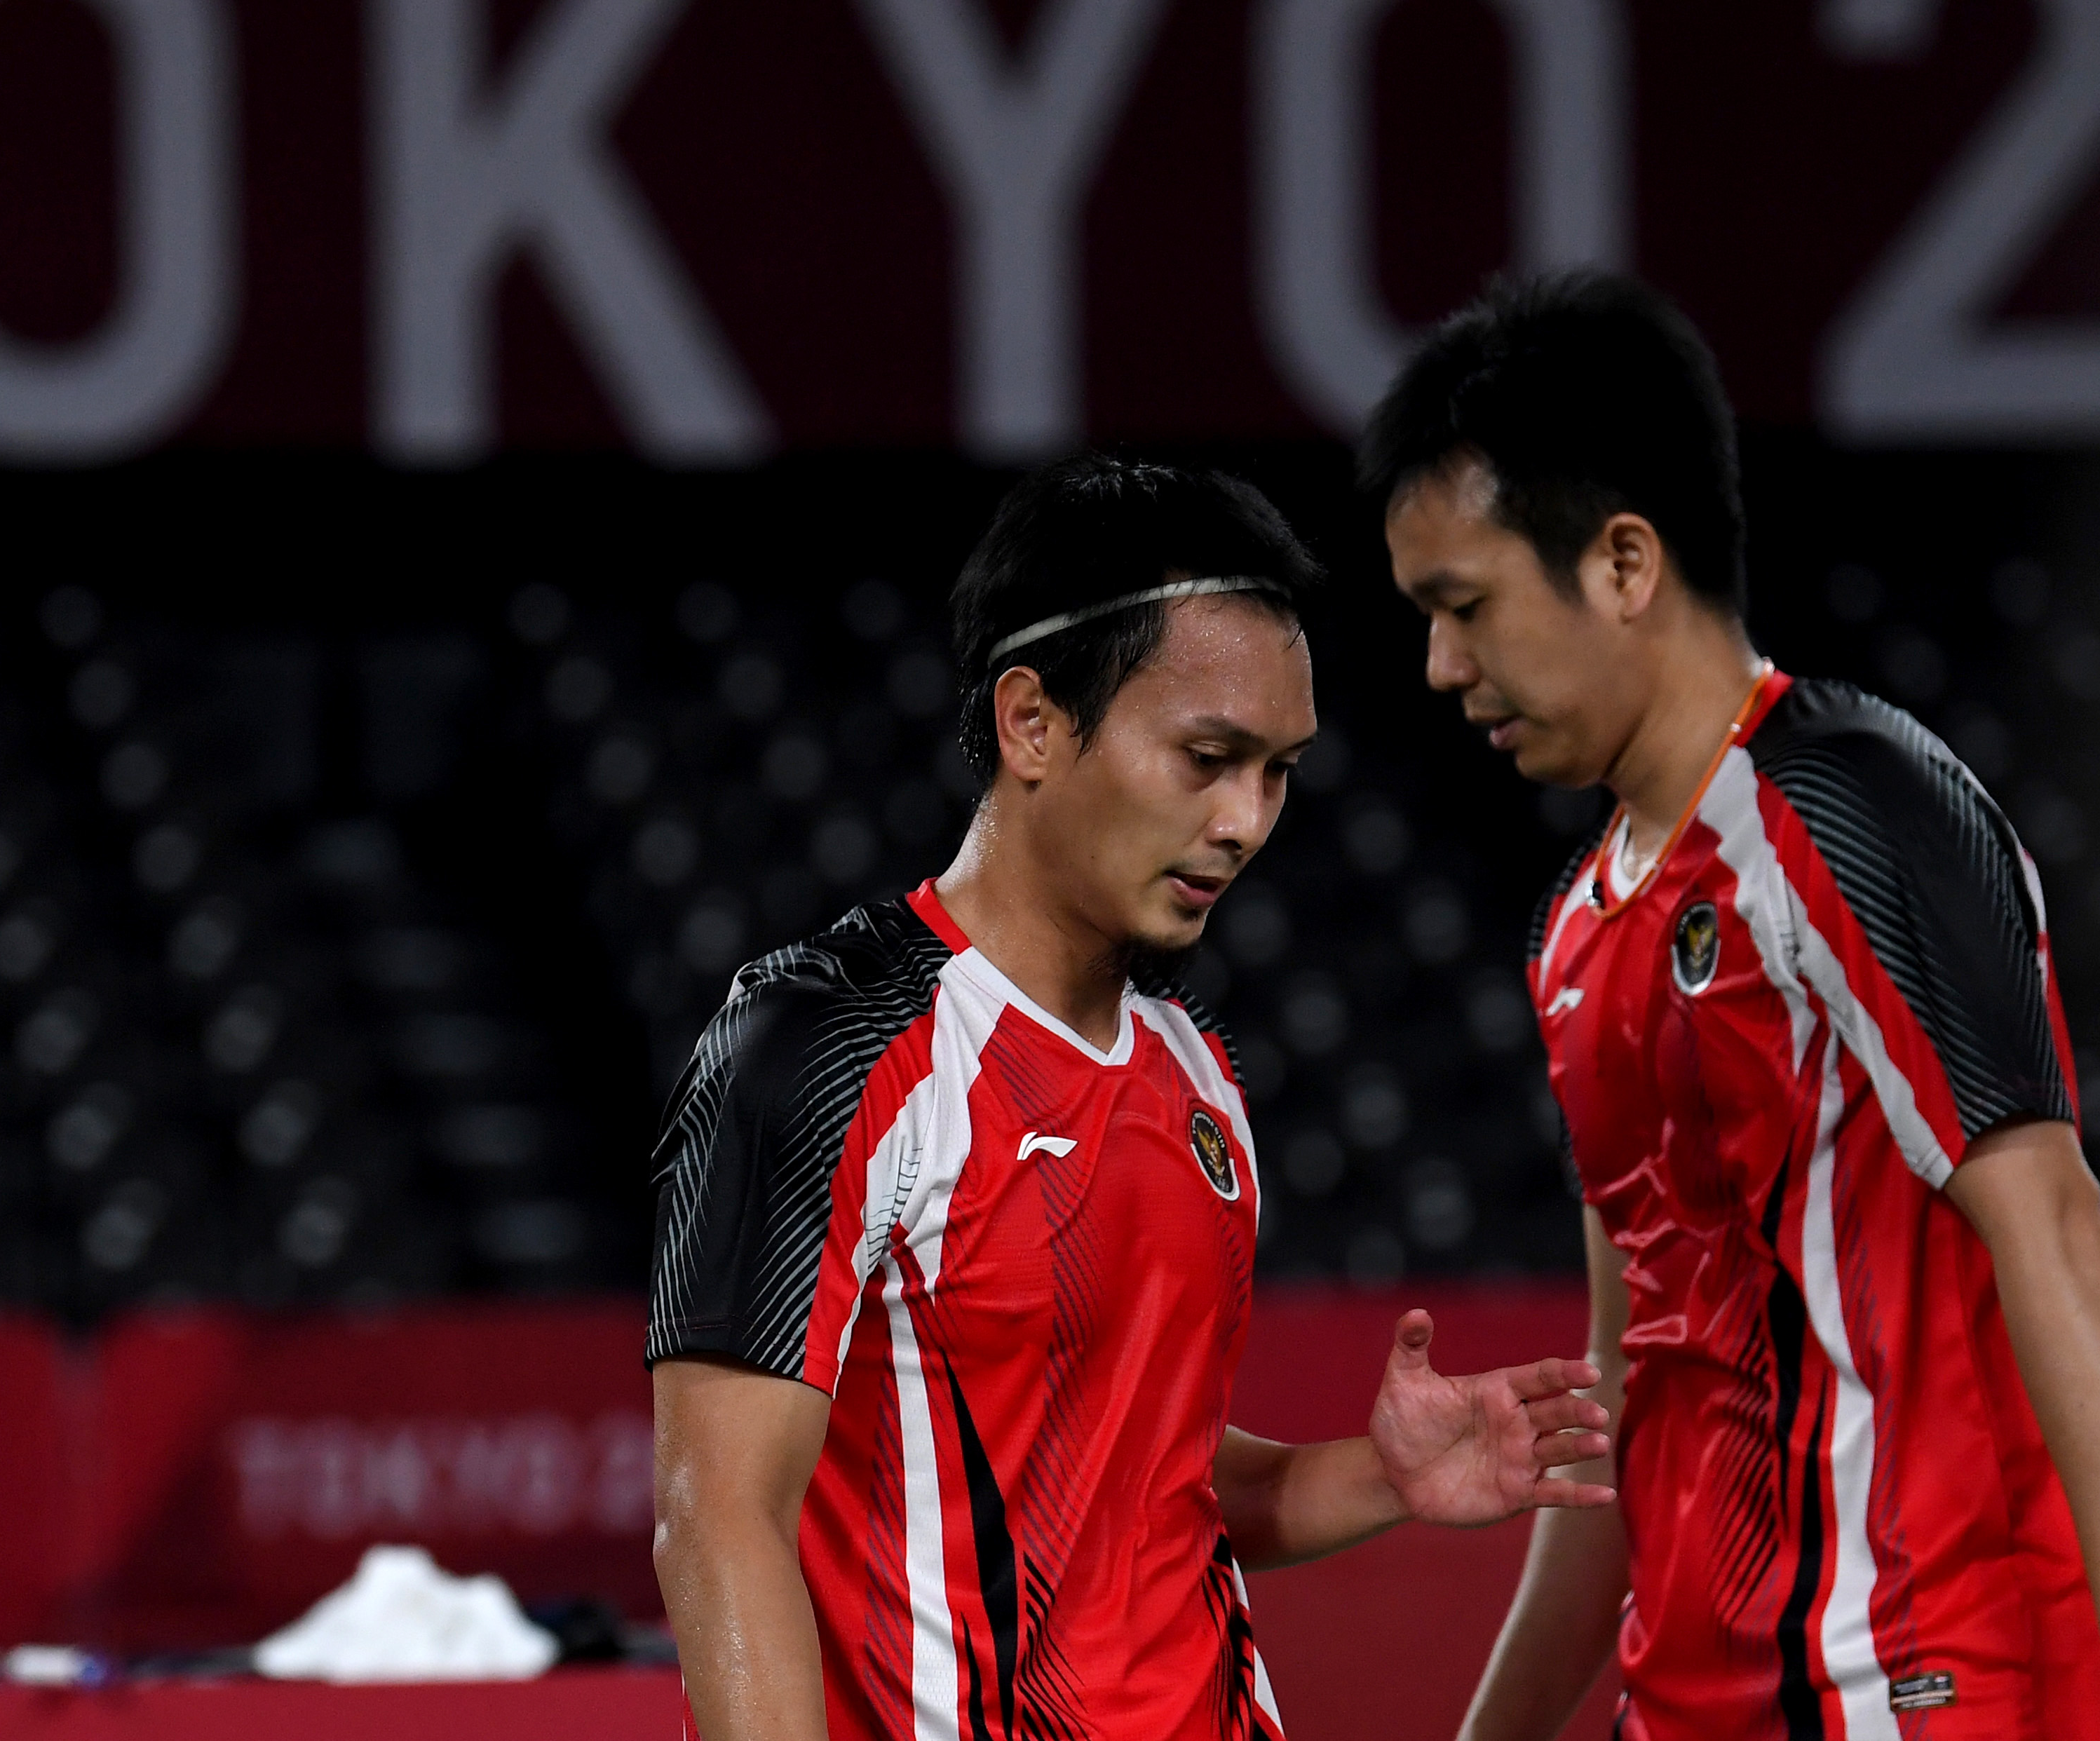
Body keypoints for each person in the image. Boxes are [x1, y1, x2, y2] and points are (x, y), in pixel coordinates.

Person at [646, 456, 1618, 1741]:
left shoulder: (1194, 1062)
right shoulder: (828, 1049)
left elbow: (1137, 1483)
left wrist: (1380, 1474)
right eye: (1208, 757)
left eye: (1277, 771)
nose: (1244, 822)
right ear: (1031, 721)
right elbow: (718, 1513)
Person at [1367, 271, 2100, 1741]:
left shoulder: (1853, 807)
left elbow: (2048, 1221)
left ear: (1622, 561)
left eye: (1462, 605)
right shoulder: (1572, 929)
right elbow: (1632, 1391)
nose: (1438, 666)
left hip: (1913, 1689)